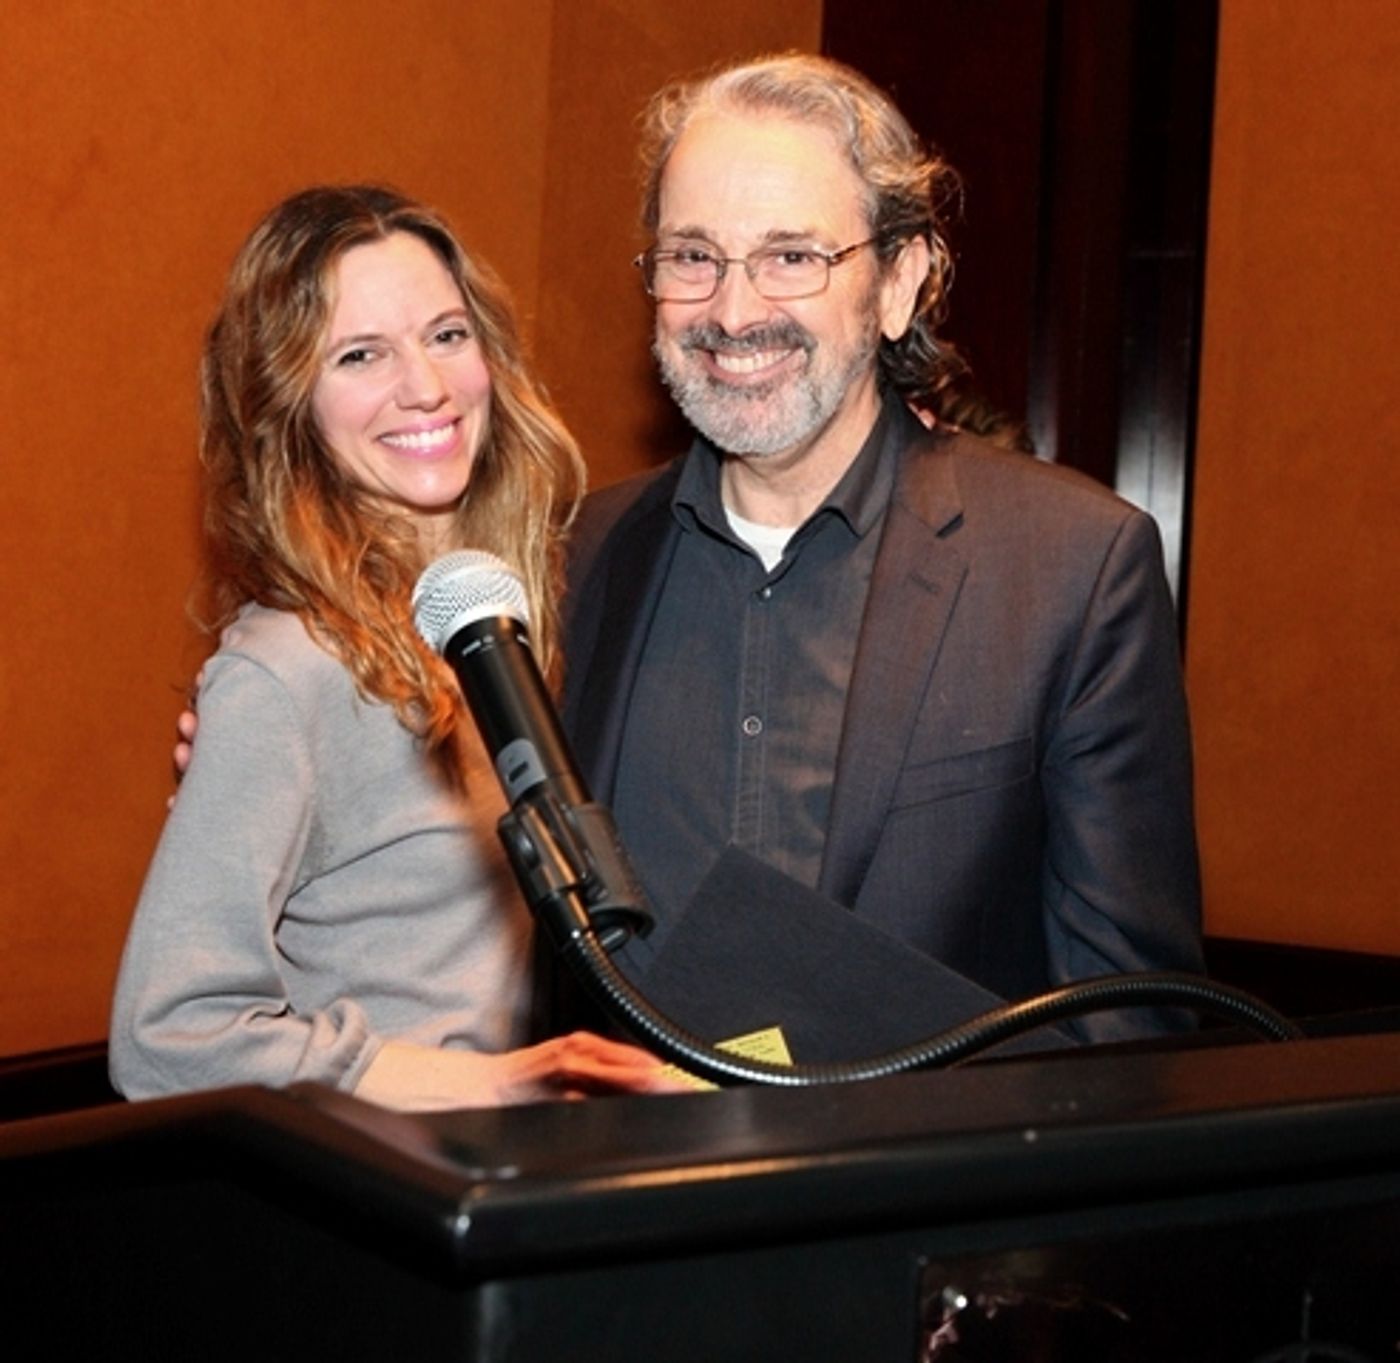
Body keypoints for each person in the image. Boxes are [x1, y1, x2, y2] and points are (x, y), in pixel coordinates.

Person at [558, 53, 1204, 1044]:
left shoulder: (1071, 569)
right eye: (692, 256)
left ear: (897, 281)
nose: (731, 312)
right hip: (611, 1192)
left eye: (790, 257)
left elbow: (1131, 1027)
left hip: (923, 1190)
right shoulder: (581, 557)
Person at [111, 185, 680, 1109]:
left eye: (448, 335)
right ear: (289, 405)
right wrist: (491, 1083)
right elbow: (167, 1037)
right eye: (361, 354)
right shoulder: (285, 669)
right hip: (371, 1199)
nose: (426, 386)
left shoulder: (500, 626)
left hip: (501, 1182)